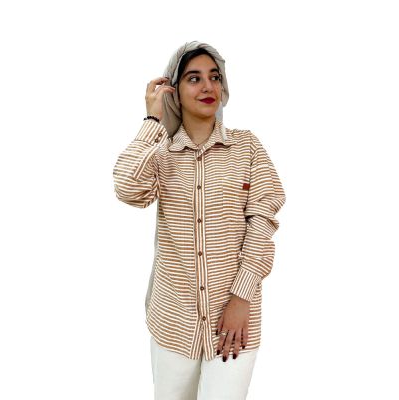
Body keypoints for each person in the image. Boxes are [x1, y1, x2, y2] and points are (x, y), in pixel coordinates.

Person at [113, 41, 286, 400]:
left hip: (235, 322)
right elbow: (128, 189)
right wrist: (152, 121)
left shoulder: (247, 147)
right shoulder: (161, 153)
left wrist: (241, 298)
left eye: (215, 77)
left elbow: (262, 222)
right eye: (194, 78)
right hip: (173, 321)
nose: (208, 86)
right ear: (174, 90)